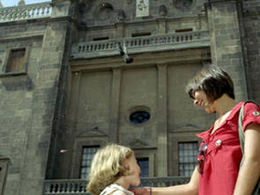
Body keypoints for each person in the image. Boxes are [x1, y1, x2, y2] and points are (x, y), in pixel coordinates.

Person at [131, 65, 260, 195]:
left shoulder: (246, 111)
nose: (195, 102)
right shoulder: (208, 137)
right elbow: (192, 187)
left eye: (195, 93)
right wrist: (147, 191)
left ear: (210, 83)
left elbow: (254, 158)